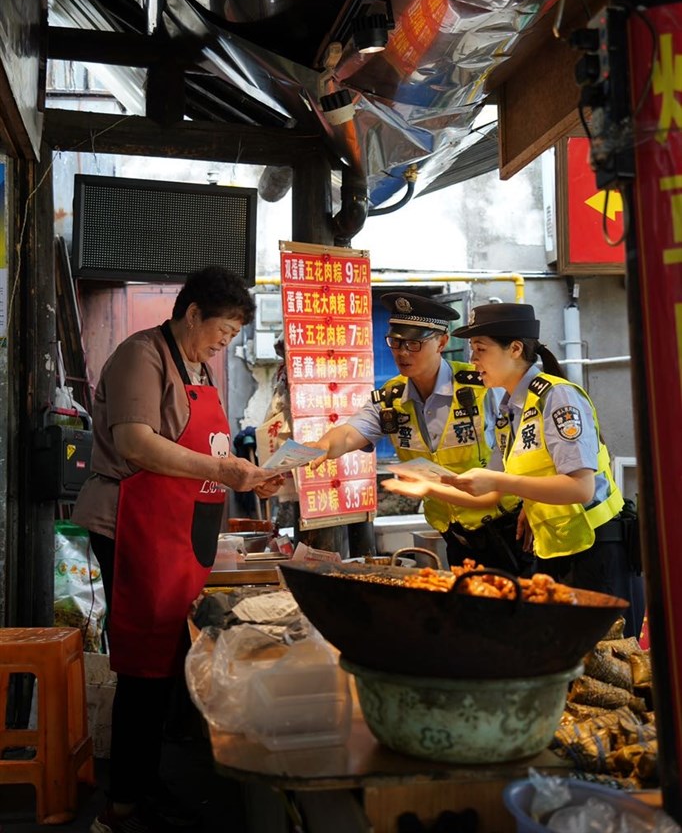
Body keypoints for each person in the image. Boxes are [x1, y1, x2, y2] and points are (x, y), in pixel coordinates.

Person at [72, 266, 283, 833]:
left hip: (178, 527)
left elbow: (207, 447)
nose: (227, 341)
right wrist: (222, 468)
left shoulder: (199, 365)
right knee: (144, 667)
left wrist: (251, 477)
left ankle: (145, 784)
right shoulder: (142, 355)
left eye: (236, 333)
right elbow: (136, 443)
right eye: (224, 329)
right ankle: (122, 806)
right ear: (192, 313)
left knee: (166, 662)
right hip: (132, 522)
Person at [383, 302, 645, 637]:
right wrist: (428, 489)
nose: (473, 360)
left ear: (515, 349)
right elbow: (491, 492)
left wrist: (505, 482)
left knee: (611, 667)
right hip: (558, 552)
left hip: (599, 552)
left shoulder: (556, 397)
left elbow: (580, 488)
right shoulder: (509, 411)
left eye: (480, 349)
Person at [309, 292, 526, 572]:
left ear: (442, 342)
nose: (402, 352)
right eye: (396, 342)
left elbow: (525, 451)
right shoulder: (391, 398)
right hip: (455, 536)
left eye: (414, 343)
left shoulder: (483, 386)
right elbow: (350, 433)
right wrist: (322, 446)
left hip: (510, 527)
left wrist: (534, 508)